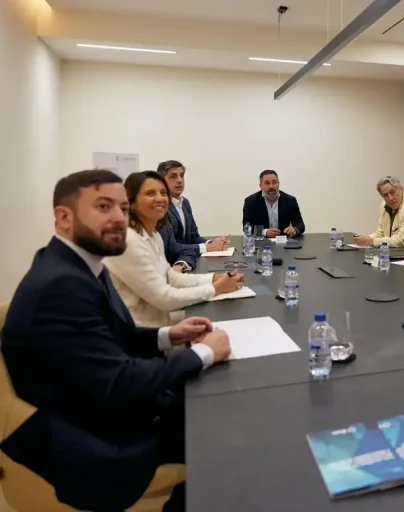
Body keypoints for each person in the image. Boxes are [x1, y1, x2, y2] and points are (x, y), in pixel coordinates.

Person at [0, 169, 231, 512]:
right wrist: (201, 354)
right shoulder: (60, 285)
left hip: (95, 399)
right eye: (104, 207)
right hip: (91, 433)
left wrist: (170, 335)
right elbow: (119, 381)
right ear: (63, 218)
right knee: (224, 432)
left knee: (215, 405)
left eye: (123, 209)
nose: (119, 218)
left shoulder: (77, 262)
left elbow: (118, 335)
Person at [104, 171, 244, 327]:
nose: (160, 198)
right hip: (140, 333)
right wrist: (215, 288)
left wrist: (213, 278)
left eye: (163, 193)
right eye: (150, 193)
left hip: (159, 319)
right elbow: (164, 298)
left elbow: (171, 277)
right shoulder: (128, 241)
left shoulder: (154, 236)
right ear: (132, 203)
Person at [157, 160, 229, 266]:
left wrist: (212, 243)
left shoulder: (185, 203)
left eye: (181, 175)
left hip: (187, 261)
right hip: (170, 267)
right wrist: (207, 247)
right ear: (161, 181)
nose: (180, 180)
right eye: (173, 176)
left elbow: (193, 237)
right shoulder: (162, 206)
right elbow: (172, 248)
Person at [352, 176, 404, 251]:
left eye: (392, 192)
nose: (390, 198)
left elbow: (402, 241)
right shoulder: (384, 205)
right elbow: (381, 232)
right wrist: (367, 238)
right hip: (396, 254)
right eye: (385, 195)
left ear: (401, 189)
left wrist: (372, 241)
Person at [242, 170, 306, 237]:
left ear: (278, 183)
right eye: (267, 183)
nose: (271, 186)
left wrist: (294, 229)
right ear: (260, 186)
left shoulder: (290, 200)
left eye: (274, 182)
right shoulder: (250, 201)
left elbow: (300, 225)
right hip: (261, 242)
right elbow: (246, 226)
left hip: (284, 243)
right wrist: (265, 232)